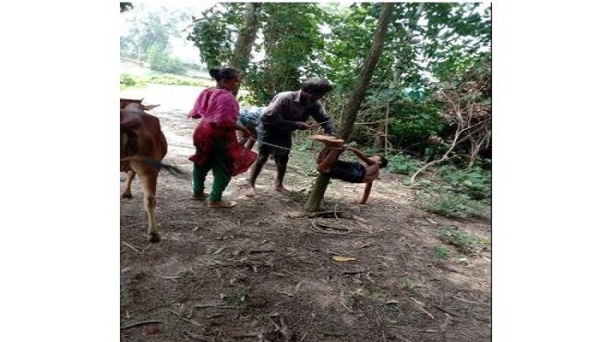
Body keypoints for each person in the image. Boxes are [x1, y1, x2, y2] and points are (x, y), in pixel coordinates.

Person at [245, 77, 337, 197]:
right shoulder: (285, 97)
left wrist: (332, 134)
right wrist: (295, 124)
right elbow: (268, 117)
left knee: (283, 158)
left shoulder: (314, 103)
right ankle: (250, 184)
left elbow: (325, 119)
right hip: (268, 128)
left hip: (285, 131)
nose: (320, 97)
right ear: (308, 91)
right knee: (263, 156)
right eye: (319, 94)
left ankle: (279, 185)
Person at [187, 67, 257, 208]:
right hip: (217, 136)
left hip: (201, 132)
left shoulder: (206, 92)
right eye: (235, 81)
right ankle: (215, 199)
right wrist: (243, 128)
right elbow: (224, 122)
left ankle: (197, 192)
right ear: (224, 81)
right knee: (223, 167)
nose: (237, 84)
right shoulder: (227, 97)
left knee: (202, 161)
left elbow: (196, 113)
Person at [311, 135, 388, 205]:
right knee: (322, 168)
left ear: (379, 162)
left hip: (357, 171)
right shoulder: (374, 172)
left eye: (375, 157)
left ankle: (328, 146)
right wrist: (363, 201)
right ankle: (334, 147)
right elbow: (368, 188)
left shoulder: (376, 165)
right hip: (357, 173)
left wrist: (354, 150)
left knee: (321, 162)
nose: (372, 157)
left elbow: (364, 158)